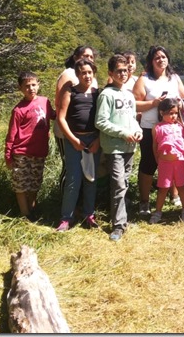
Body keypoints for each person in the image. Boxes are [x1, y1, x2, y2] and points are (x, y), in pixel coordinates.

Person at [133, 46, 184, 215]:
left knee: (174, 161)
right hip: (151, 128)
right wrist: (154, 103)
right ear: (151, 61)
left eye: (164, 57)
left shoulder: (174, 78)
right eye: (157, 57)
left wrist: (181, 103)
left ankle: (174, 195)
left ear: (168, 59)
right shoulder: (144, 80)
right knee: (148, 164)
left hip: (174, 129)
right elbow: (134, 103)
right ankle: (144, 201)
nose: (161, 60)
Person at [95, 55, 143, 242]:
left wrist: (138, 131)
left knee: (125, 183)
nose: (123, 74)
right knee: (118, 184)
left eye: (125, 70)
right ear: (111, 73)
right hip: (114, 148)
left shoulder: (129, 95)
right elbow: (101, 122)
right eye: (119, 71)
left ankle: (121, 219)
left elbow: (132, 120)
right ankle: (118, 225)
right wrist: (123, 133)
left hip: (130, 147)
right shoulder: (107, 95)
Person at [55, 58, 101, 231]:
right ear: (77, 74)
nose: (87, 76)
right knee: (73, 180)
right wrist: (73, 140)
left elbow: (103, 119)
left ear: (94, 73)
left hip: (93, 141)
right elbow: (61, 118)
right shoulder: (70, 91)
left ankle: (89, 214)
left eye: (89, 72)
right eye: (83, 73)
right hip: (74, 141)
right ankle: (66, 218)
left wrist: (98, 140)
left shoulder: (98, 93)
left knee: (91, 179)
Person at [4, 72, 56, 221]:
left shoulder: (45, 101)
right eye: (27, 86)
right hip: (21, 153)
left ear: (38, 85)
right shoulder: (18, 110)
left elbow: (53, 115)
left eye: (33, 85)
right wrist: (8, 156)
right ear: (20, 88)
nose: (31, 88)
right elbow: (11, 135)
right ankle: (25, 214)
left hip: (39, 152)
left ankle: (33, 209)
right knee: (21, 184)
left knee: (35, 183)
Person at [53, 46, 98, 192]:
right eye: (85, 55)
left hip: (86, 134)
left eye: (91, 57)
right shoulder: (69, 74)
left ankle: (79, 203)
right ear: (75, 57)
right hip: (66, 131)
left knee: (84, 169)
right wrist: (71, 134)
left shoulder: (90, 76)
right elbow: (59, 103)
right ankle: (63, 200)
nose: (88, 59)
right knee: (69, 167)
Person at [149, 98, 184, 224]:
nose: (173, 116)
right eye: (170, 113)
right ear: (162, 113)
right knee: (163, 188)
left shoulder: (180, 126)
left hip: (179, 162)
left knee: (181, 186)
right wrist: (158, 159)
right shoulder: (157, 128)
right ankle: (158, 212)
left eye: (175, 113)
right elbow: (155, 146)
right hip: (164, 163)